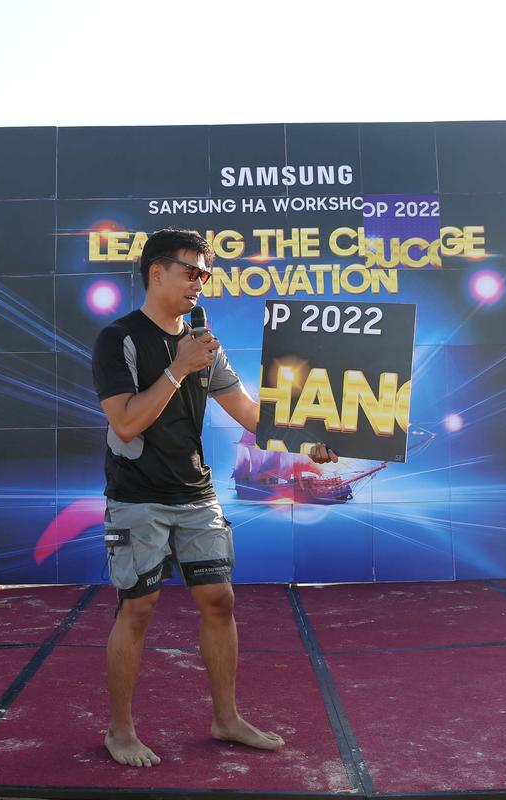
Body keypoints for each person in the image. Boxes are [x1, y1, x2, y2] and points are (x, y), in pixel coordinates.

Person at [91, 229, 336, 768]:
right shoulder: (119, 339)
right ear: (157, 272)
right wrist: (178, 367)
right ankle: (120, 730)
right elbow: (126, 423)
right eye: (191, 272)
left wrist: (306, 443)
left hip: (195, 492)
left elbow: (249, 412)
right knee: (137, 608)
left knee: (220, 601)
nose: (200, 283)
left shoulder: (203, 343)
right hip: (137, 496)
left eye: (205, 274)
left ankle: (226, 718)